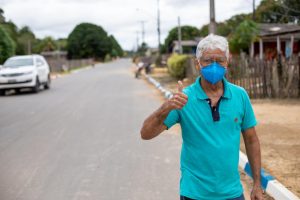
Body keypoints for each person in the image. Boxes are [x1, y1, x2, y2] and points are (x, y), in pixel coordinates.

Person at [140, 34, 263, 200]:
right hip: (194, 193)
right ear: (197, 64)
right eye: (207, 60)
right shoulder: (184, 99)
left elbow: (251, 140)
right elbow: (146, 134)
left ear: (227, 62)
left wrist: (257, 184)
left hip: (232, 193)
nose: (214, 66)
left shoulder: (240, 96)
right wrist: (166, 107)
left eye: (219, 60)